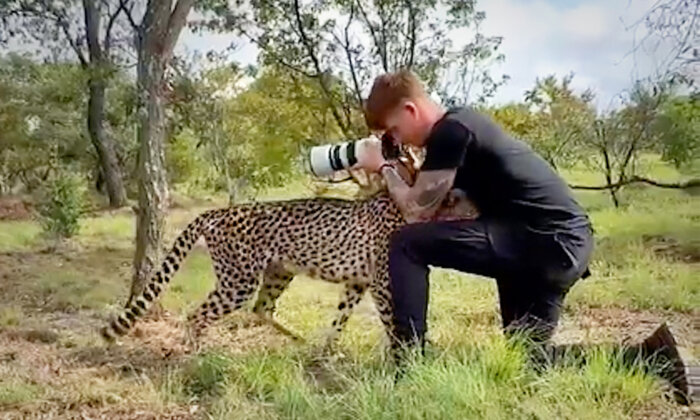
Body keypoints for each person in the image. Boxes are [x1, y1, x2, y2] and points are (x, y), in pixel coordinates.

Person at [357, 69, 692, 404]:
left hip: (543, 242)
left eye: (394, 130)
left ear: (411, 110)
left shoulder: (450, 132)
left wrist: (383, 166)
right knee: (526, 361)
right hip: (559, 245)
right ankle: (654, 358)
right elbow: (449, 210)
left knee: (405, 243)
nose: (396, 140)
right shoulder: (462, 127)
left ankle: (408, 365)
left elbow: (417, 211)